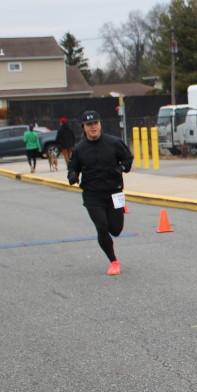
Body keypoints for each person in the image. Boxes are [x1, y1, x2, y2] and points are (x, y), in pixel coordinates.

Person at [67, 110, 134, 276]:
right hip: (92, 195)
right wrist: (73, 175)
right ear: (83, 128)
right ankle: (113, 261)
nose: (93, 127)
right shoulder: (79, 149)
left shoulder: (114, 142)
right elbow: (73, 167)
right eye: (89, 124)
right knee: (102, 227)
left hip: (115, 192)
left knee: (116, 230)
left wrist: (121, 168)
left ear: (100, 124)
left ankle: (111, 235)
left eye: (95, 123)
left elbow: (128, 159)